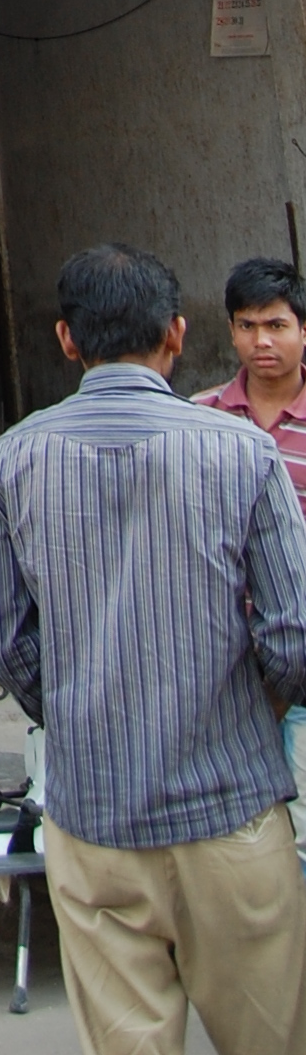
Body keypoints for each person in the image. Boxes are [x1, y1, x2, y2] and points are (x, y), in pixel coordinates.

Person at [0, 243, 306, 1055]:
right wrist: (251, 708)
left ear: (65, 340)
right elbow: (293, 633)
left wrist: (80, 709)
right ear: (179, 333)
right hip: (231, 809)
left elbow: (3, 645)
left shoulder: (4, 464)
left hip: (93, 822)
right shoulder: (244, 453)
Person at [195, 255, 306, 850]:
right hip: (223, 662)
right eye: (247, 326)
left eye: (277, 325)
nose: (261, 341)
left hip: (303, 656)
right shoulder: (198, 419)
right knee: (232, 837)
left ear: (303, 330)